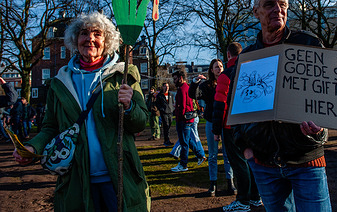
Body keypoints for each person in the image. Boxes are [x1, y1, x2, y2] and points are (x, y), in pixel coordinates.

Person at [13, 12, 151, 211]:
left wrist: (129, 106)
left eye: (97, 33)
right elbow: (50, 127)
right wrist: (32, 148)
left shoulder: (123, 76)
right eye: (84, 33)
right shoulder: (59, 83)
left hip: (119, 176)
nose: (90, 39)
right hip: (76, 179)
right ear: (75, 39)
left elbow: (140, 123)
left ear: (107, 40)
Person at [232, 0, 331, 211]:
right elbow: (235, 107)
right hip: (263, 163)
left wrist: (321, 129)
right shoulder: (246, 57)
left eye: (282, 4)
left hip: (306, 159)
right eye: (269, 4)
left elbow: (327, 98)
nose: (278, 9)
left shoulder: (308, 44)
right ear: (256, 11)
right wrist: (245, 147)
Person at [213, 42, 262, 211]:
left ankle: (243, 200)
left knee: (239, 163)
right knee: (251, 162)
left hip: (231, 127)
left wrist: (215, 130)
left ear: (227, 55)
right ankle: (255, 197)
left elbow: (220, 105)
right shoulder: (250, 72)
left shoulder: (225, 75)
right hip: (252, 125)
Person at [189, 58, 235, 197]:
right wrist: (195, 83)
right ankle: (213, 184)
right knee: (213, 155)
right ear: (211, 69)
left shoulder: (229, 80)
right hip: (211, 121)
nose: (219, 68)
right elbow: (193, 95)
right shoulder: (206, 85)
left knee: (227, 154)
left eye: (221, 66)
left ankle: (230, 182)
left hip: (226, 122)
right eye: (216, 66)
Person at [171, 70, 206, 172]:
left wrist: (179, 118)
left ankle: (183, 164)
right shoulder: (187, 88)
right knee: (188, 140)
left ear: (180, 78)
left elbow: (182, 106)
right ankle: (200, 155)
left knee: (184, 142)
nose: (174, 81)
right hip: (189, 118)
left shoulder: (182, 89)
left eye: (175, 79)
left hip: (183, 120)